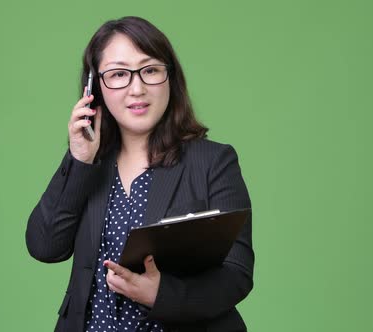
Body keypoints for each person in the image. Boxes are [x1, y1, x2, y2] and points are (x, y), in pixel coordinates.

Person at [26, 16, 254, 332]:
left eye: (150, 71)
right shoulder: (89, 166)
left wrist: (161, 295)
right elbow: (45, 246)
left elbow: (236, 274)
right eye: (119, 74)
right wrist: (79, 161)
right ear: (95, 87)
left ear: (170, 78)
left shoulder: (214, 161)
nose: (137, 88)